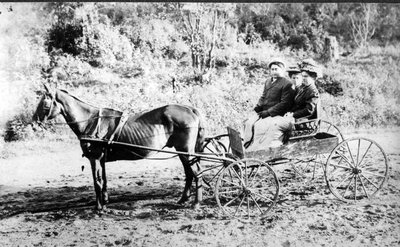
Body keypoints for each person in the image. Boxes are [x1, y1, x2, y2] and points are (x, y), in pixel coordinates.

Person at [243, 58, 295, 150]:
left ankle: (258, 149)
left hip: (276, 114)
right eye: (272, 69)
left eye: (276, 69)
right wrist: (258, 106)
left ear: (282, 70)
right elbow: (263, 96)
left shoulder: (287, 84)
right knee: (248, 123)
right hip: (264, 112)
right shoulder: (268, 81)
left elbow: (284, 104)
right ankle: (248, 145)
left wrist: (268, 112)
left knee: (260, 126)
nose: (274, 71)